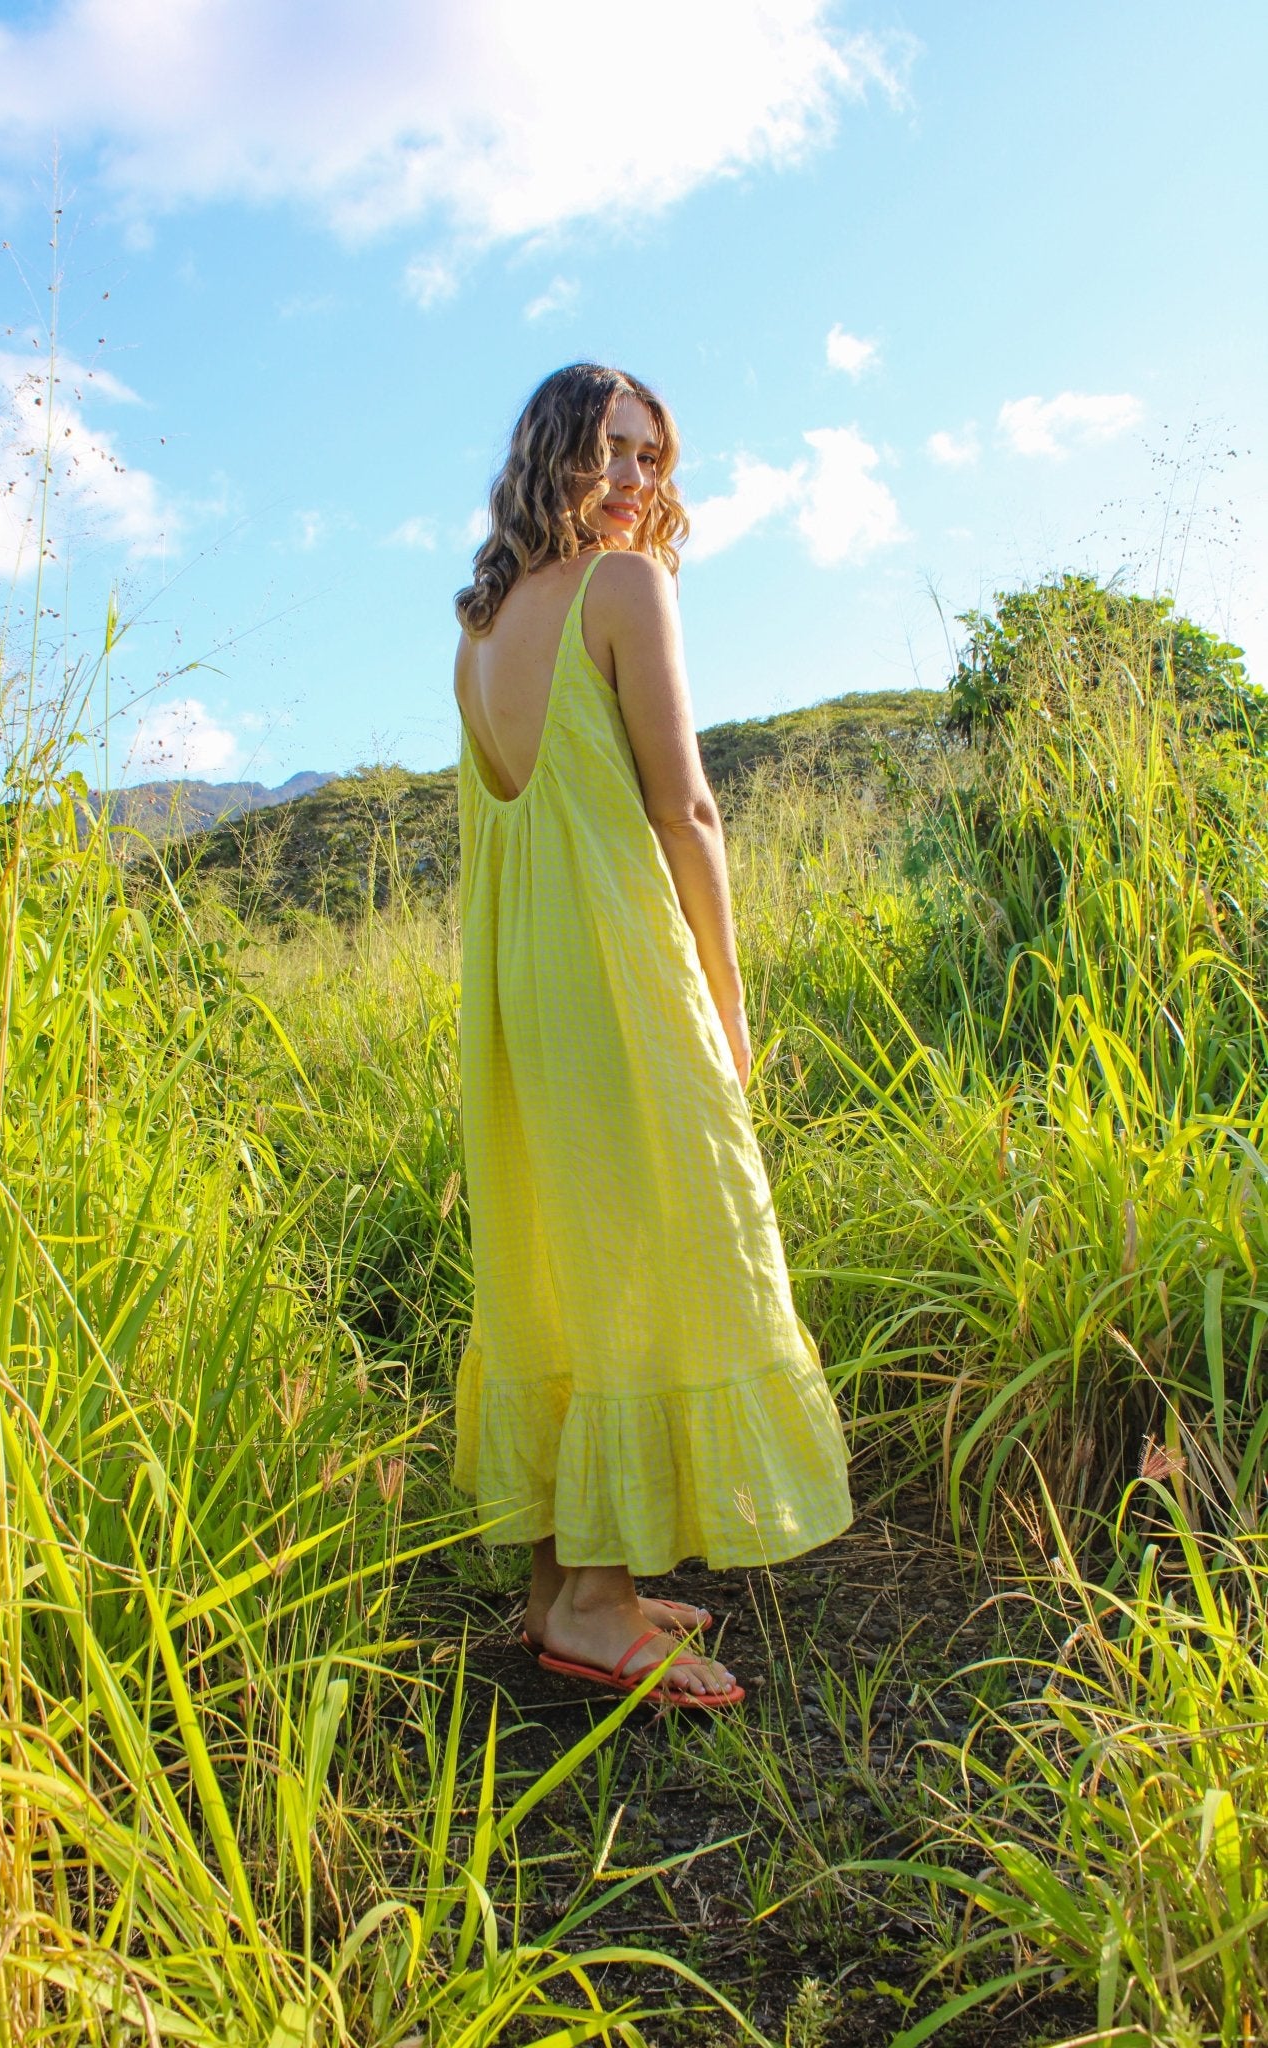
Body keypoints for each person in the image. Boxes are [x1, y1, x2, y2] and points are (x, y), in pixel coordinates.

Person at [452, 363, 852, 1708]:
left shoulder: (480, 632)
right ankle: (601, 1601)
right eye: (610, 450)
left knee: (567, 1259)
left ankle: (564, 1589)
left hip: (522, 987)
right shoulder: (624, 588)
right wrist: (728, 1004)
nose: (634, 481)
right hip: (616, 971)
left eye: (651, 458)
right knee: (653, 1250)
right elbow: (686, 812)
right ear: (550, 457)